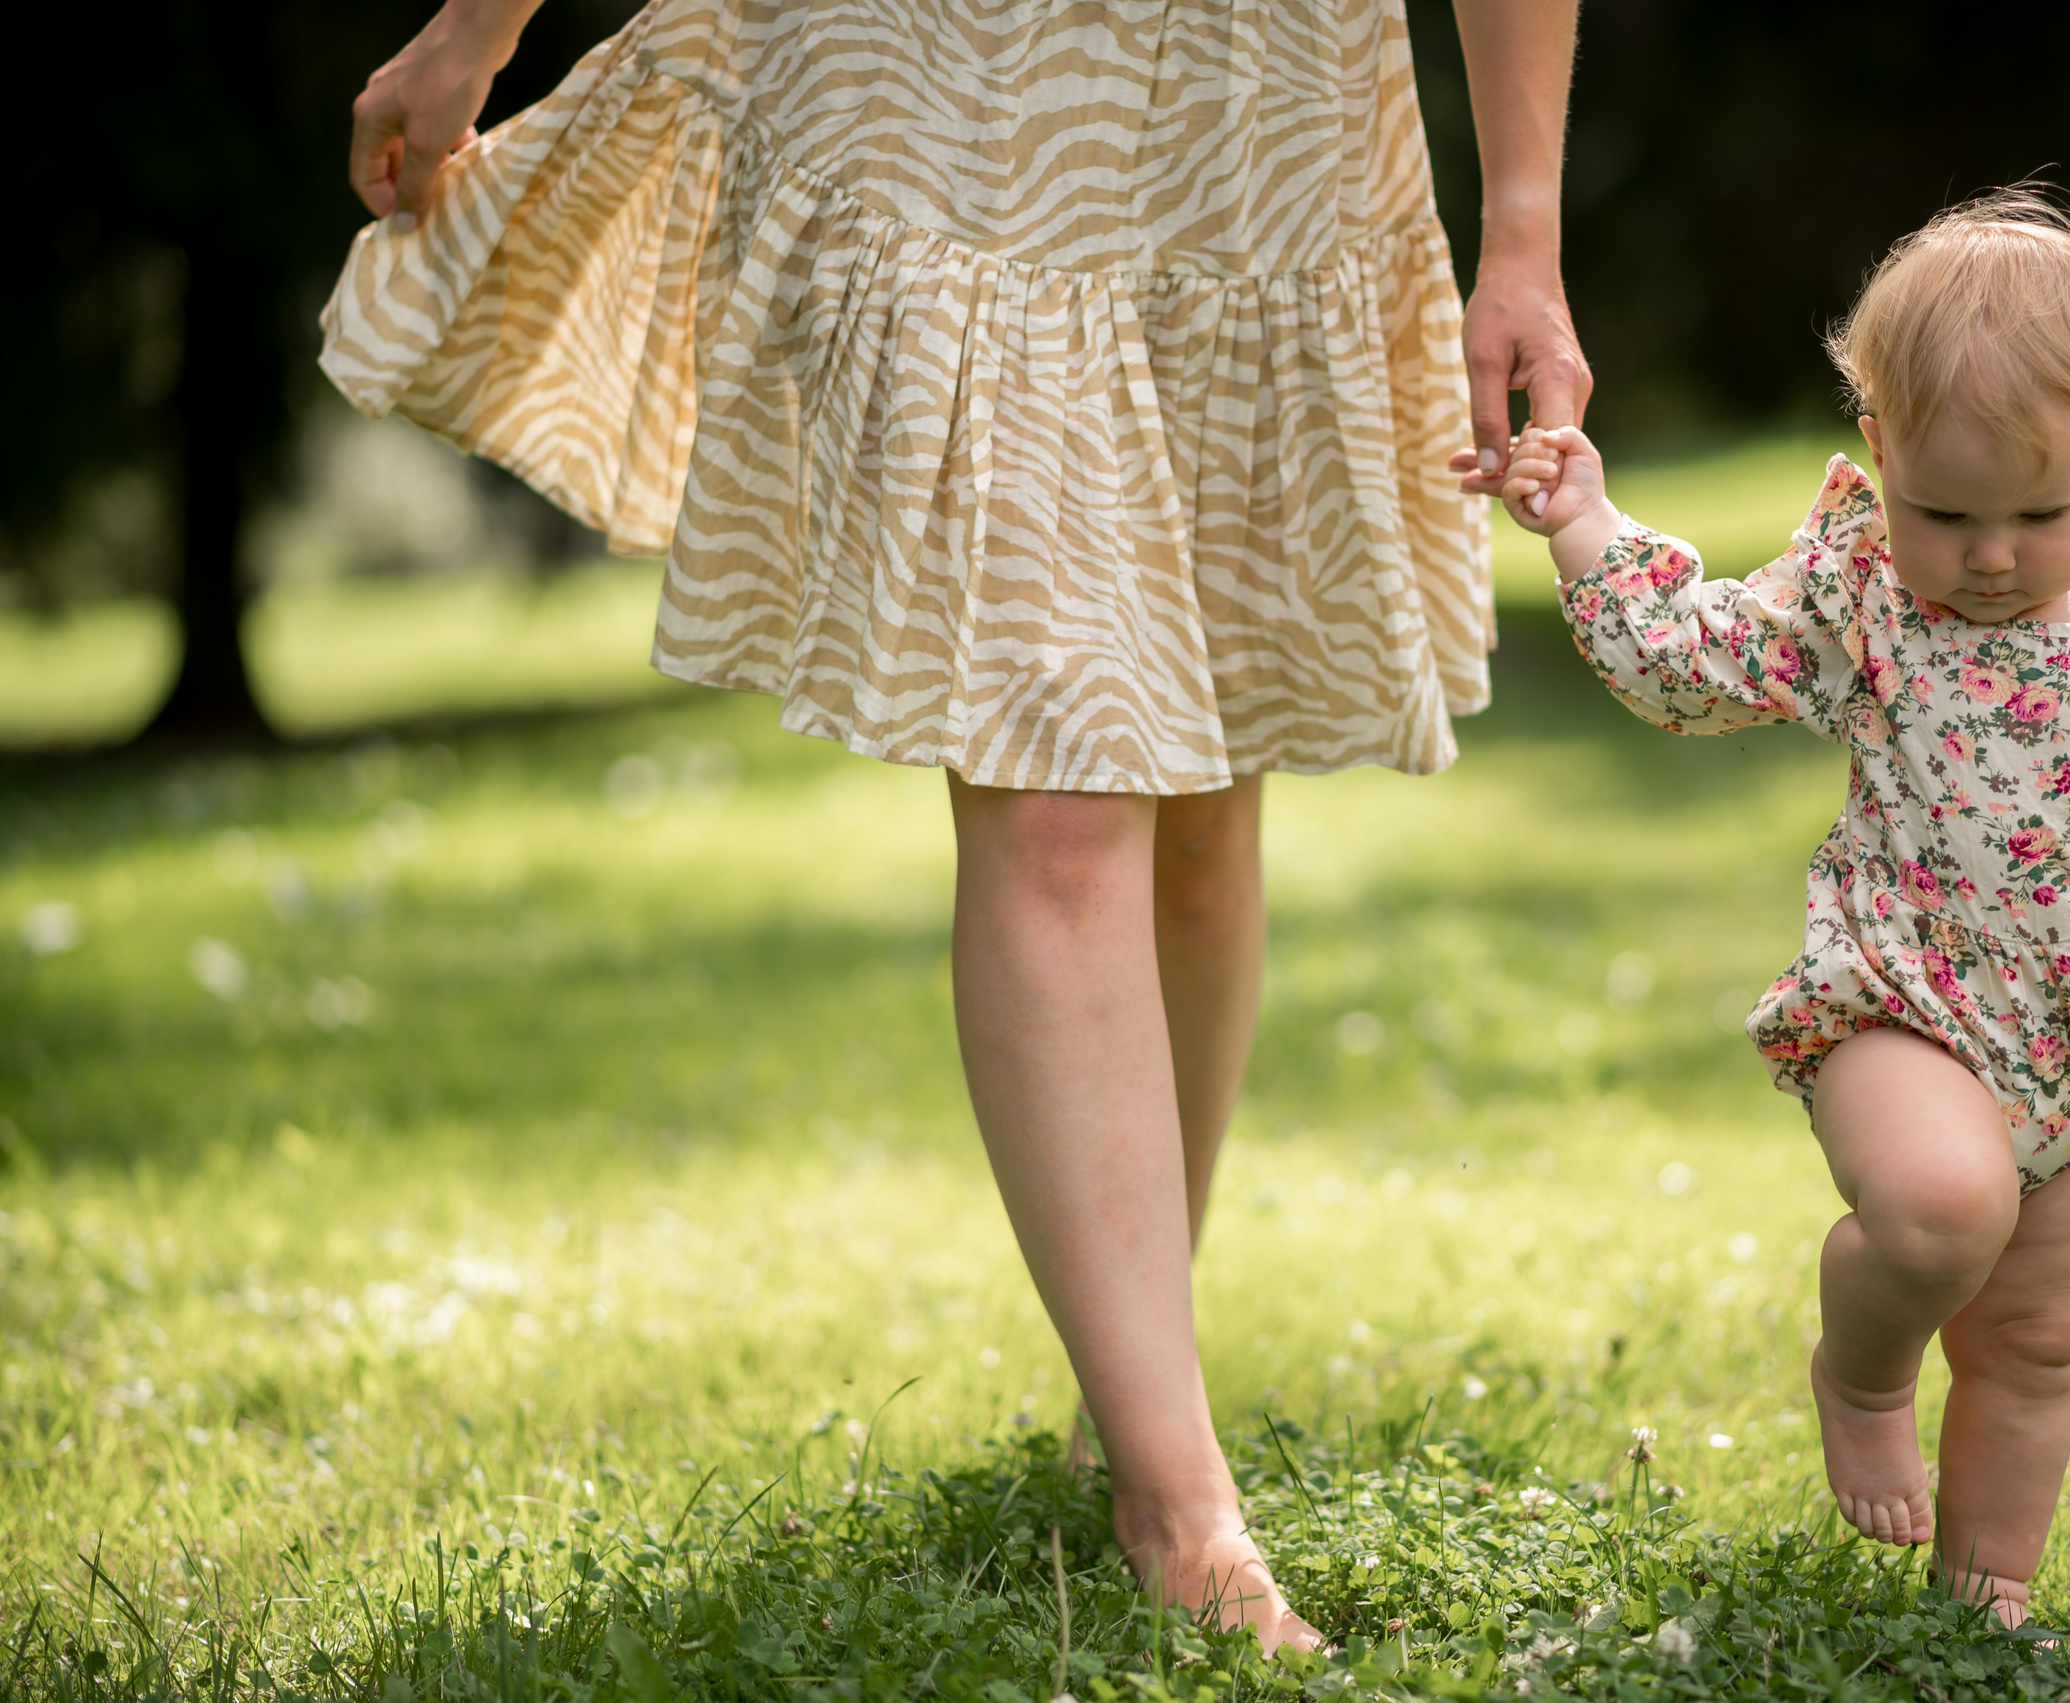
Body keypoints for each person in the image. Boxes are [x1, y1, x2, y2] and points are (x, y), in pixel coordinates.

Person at [327, 0, 1588, 1655]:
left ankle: (1131, 1395)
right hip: (940, 81)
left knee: (1204, 801)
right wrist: (474, 28)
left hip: (1251, 104)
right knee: (1066, 790)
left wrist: (1524, 231)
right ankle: (1175, 1499)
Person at [1487, 189, 2070, 1628]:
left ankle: (1984, 1597)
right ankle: (1861, 1373)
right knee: (1941, 1210)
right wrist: (1587, 524)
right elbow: (1692, 662)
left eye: (2040, 514)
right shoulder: (1865, 601)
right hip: (1904, 996)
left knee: (2038, 1338)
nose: (1989, 556)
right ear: (1878, 453)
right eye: (1945, 513)